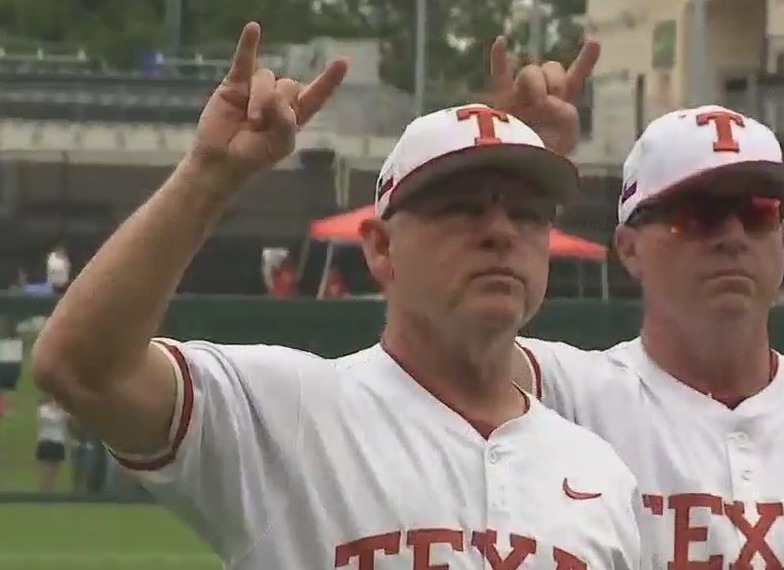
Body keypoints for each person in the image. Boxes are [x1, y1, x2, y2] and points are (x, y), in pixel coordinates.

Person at [30, 22, 642, 570]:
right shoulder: (289, 413)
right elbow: (80, 371)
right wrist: (208, 176)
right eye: (461, 206)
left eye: (529, 213)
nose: (501, 231)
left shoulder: (599, 474)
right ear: (380, 248)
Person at [509, 106, 784, 568]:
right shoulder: (568, 398)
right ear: (629, 248)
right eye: (700, 215)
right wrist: (506, 164)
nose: (733, 237)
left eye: (758, 214)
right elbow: (442, 351)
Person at [36, 395, 70, 492]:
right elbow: (49, 420)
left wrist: (61, 411)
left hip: (58, 441)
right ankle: (45, 489)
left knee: (55, 469)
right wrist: (56, 411)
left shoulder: (63, 411)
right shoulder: (43, 409)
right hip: (47, 440)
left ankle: (52, 489)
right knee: (47, 467)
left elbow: (66, 421)